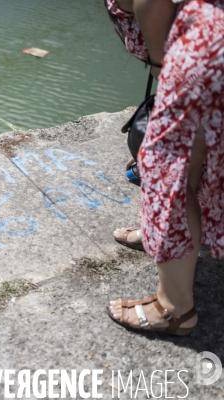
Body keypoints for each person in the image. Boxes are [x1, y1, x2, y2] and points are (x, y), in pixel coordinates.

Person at [104, 0, 224, 335]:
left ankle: (174, 308)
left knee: (169, 169)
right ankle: (166, 237)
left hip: (209, 45)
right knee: (199, 155)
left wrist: (161, 64)